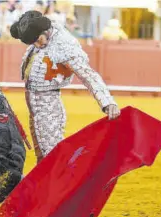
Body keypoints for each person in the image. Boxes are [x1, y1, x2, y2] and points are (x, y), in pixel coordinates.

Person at [9, 10, 120, 163]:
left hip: (48, 105)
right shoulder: (42, 36)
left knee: (52, 155)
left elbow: (88, 75)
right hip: (35, 105)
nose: (38, 45)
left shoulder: (64, 44)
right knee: (42, 153)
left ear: (45, 31)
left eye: (38, 39)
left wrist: (107, 102)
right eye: (33, 43)